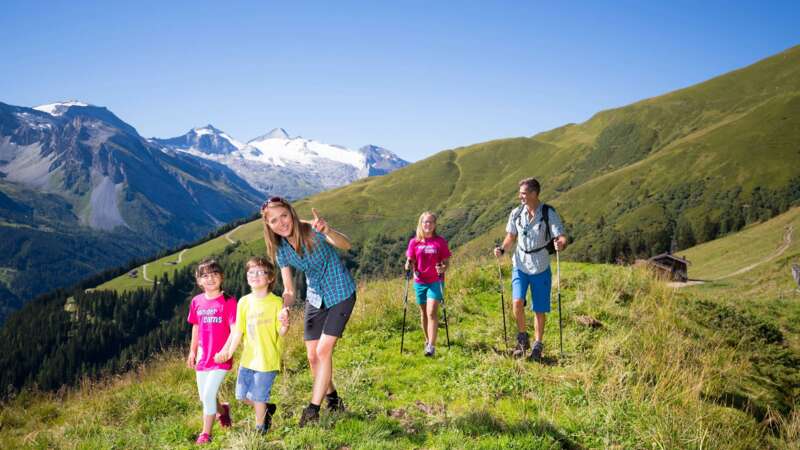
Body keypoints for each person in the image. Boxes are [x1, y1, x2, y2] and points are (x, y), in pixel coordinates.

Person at [261, 196, 356, 427]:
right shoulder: (281, 250)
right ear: (269, 226)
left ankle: (312, 410)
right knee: (313, 357)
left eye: (283, 215)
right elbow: (290, 290)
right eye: (274, 220)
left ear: (291, 212)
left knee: (323, 351)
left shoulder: (312, 231)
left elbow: (346, 245)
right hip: (315, 298)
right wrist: (285, 307)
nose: (281, 223)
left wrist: (329, 230)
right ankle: (333, 399)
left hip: (341, 293)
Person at [493, 178, 567, 361]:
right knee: (517, 302)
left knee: (539, 308)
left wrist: (561, 243)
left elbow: (561, 236)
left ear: (534, 194)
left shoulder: (548, 213)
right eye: (520, 193)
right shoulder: (516, 213)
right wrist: (502, 248)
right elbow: (511, 236)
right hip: (519, 263)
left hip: (540, 265)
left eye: (524, 193)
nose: (520, 196)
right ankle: (522, 339)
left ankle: (537, 344)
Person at [213, 257, 289, 434]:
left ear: (270, 278)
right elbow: (238, 331)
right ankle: (266, 408)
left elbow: (282, 332)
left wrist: (285, 324)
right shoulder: (244, 302)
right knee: (241, 396)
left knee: (258, 397)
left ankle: (260, 429)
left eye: (260, 272)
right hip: (248, 360)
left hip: (267, 360)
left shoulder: (276, 302)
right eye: (251, 272)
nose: (254, 275)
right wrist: (229, 352)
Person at [186, 259, 237, 445]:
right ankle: (223, 410)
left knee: (208, 395)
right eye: (205, 276)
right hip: (202, 356)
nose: (210, 279)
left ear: (221, 277)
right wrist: (192, 352)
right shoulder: (196, 301)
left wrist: (226, 351)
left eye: (214, 274)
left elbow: (235, 330)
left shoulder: (229, 301)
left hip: (221, 357)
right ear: (199, 281)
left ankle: (205, 434)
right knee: (204, 396)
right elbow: (195, 328)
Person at [404, 211, 451, 357]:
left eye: (431, 222)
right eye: (425, 222)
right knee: (423, 313)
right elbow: (410, 259)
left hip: (436, 281)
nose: (428, 225)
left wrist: (443, 268)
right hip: (420, 281)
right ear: (421, 224)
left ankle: (431, 345)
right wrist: (408, 264)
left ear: (435, 225)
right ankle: (427, 340)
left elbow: (446, 261)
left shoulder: (440, 242)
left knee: (431, 312)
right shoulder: (414, 242)